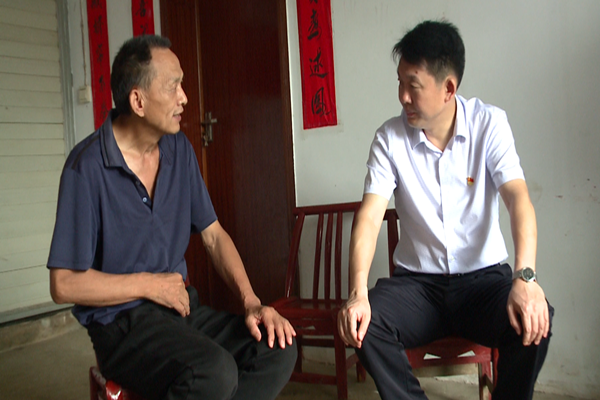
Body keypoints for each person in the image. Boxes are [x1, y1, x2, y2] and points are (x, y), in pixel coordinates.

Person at [47, 35, 296, 400]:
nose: (184, 98)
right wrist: (149, 285)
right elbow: (64, 284)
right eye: (173, 86)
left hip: (180, 310)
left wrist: (252, 302)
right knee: (214, 371)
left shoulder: (178, 148)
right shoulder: (86, 168)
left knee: (277, 346)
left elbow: (213, 235)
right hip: (122, 326)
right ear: (138, 101)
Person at [337, 20, 553, 400]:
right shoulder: (389, 138)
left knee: (535, 318)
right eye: (400, 83)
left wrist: (525, 278)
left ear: (448, 88)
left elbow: (518, 199)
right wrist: (357, 293)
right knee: (364, 325)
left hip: (483, 283)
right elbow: (369, 218)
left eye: (413, 86)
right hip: (418, 288)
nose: (403, 97)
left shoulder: (489, 124)